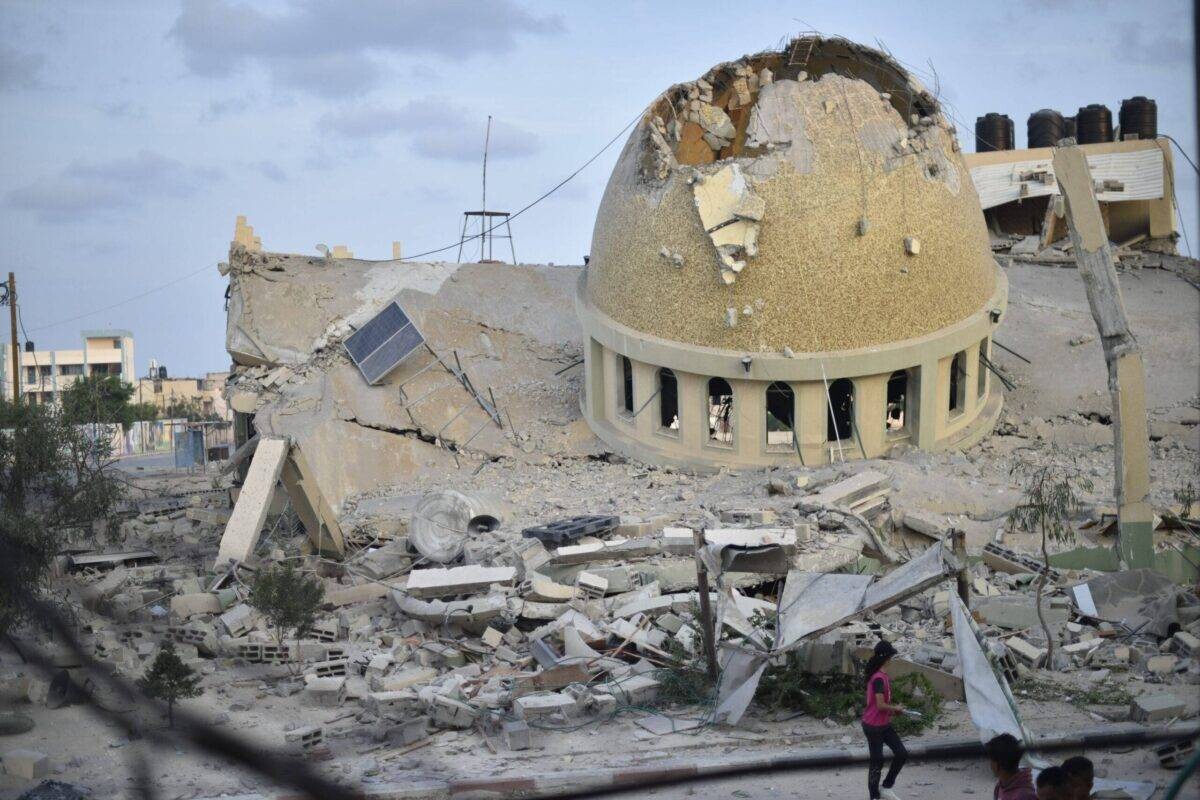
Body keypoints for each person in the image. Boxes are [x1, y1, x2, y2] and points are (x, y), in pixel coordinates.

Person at [861, 640, 909, 800]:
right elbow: (881, 705)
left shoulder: (881, 676)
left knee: (901, 753)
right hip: (873, 726)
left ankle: (886, 787)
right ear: (887, 658)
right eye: (891, 657)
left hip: (883, 724)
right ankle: (874, 796)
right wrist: (896, 708)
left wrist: (894, 712)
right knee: (877, 762)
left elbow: (880, 706)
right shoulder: (879, 679)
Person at [986, 733, 1037, 800]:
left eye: (991, 760)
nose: (990, 765)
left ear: (997, 765)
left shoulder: (1025, 795)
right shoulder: (1000, 786)